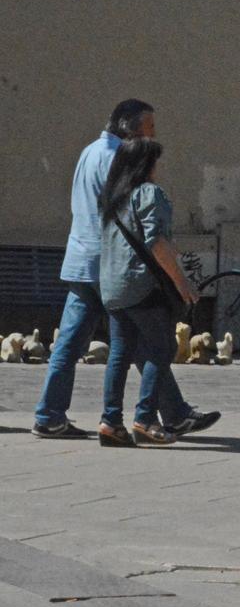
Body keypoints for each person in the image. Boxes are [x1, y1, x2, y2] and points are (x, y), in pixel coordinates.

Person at [34, 100, 152, 438]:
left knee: (69, 346)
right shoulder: (117, 158)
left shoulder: (90, 151)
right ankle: (167, 413)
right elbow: (127, 214)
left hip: (80, 260)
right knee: (141, 340)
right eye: (149, 128)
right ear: (130, 129)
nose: (153, 136)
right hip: (108, 264)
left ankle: (48, 415)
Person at [98, 138, 214, 446]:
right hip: (142, 286)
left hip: (112, 288)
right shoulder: (149, 194)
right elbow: (156, 243)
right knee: (161, 348)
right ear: (145, 165)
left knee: (120, 354)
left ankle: (110, 422)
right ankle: (146, 419)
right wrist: (182, 283)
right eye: (155, 161)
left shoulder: (113, 199)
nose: (158, 167)